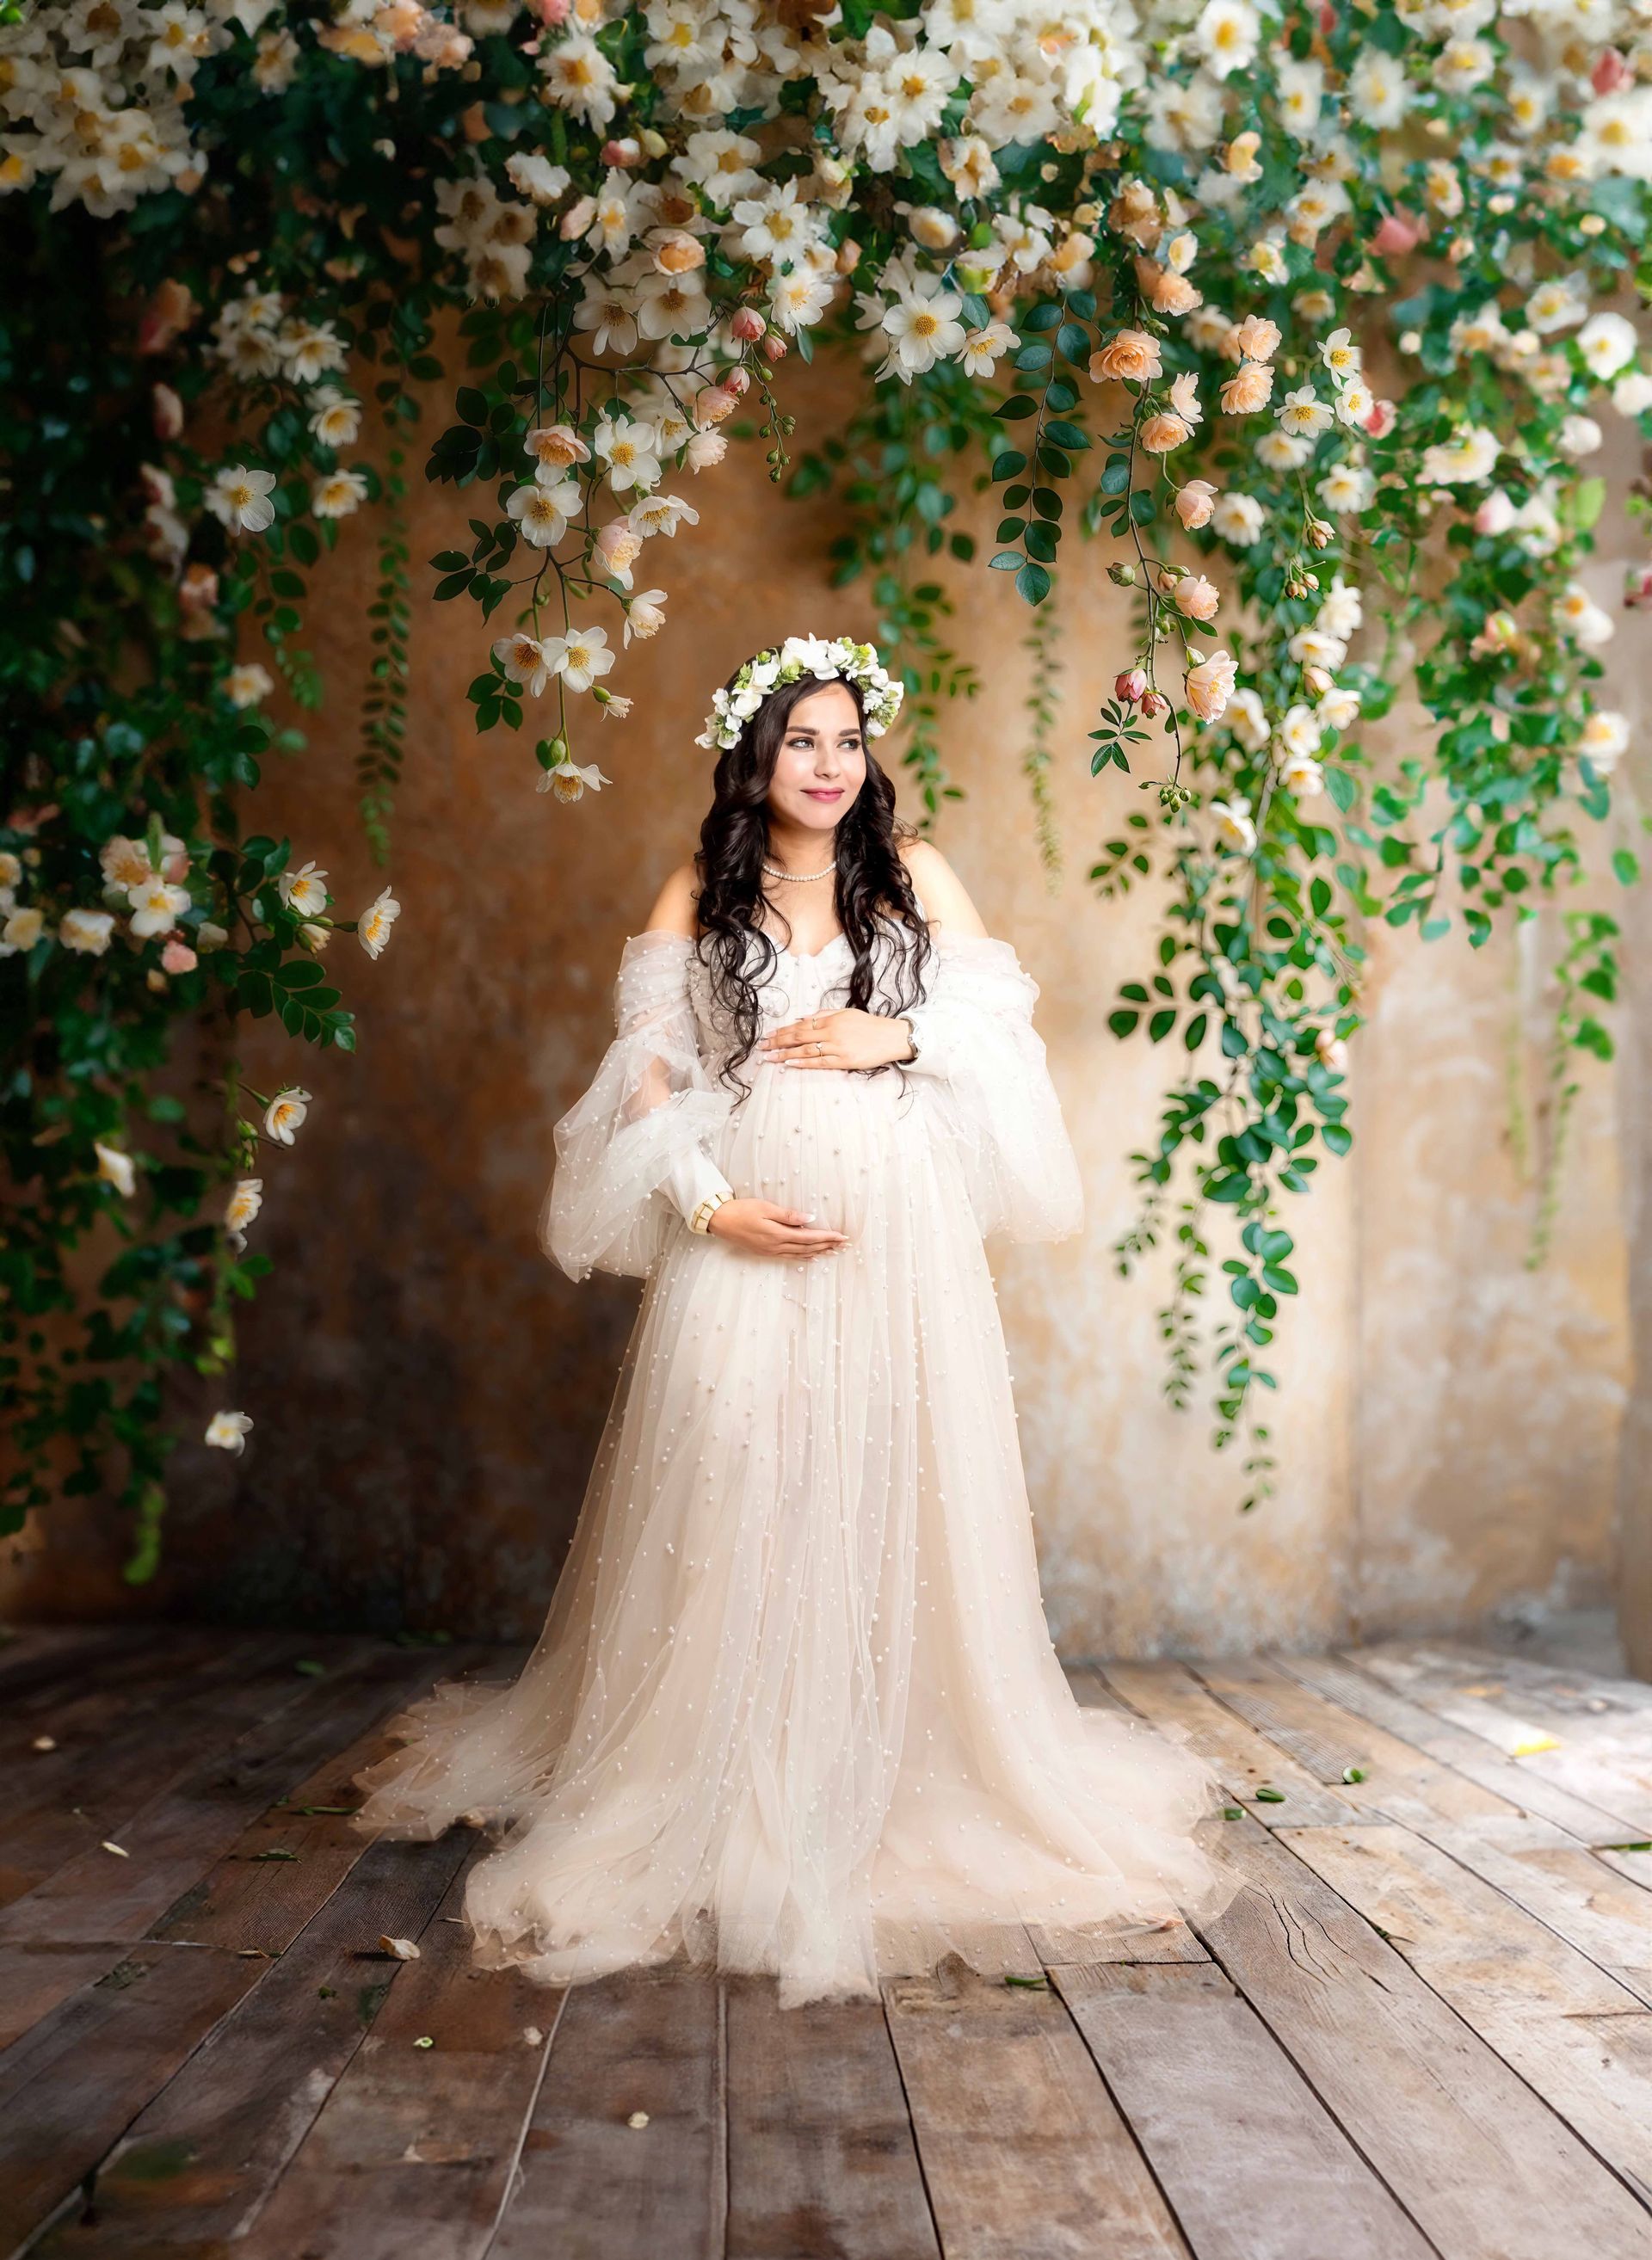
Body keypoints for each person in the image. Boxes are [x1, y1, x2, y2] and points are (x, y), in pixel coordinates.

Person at [351, 633, 1234, 2005]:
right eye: (799, 741)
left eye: (846, 739)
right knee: (736, 1482)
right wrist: (715, 1211)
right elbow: (645, 1082)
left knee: (895, 1484)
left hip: (902, 1237)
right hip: (747, 1231)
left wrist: (905, 1037)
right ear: (752, 759)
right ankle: (721, 1776)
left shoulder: (915, 877)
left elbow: (1003, 1050)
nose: (827, 765)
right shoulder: (699, 890)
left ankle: (884, 1774)